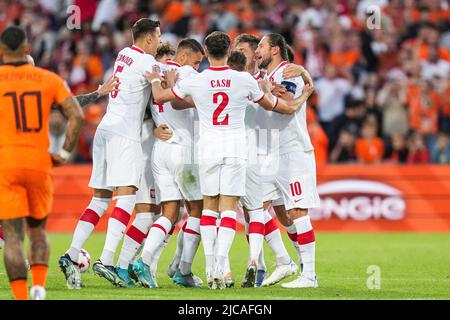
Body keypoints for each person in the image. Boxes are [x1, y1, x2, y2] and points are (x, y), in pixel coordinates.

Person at [145, 31, 309, 289]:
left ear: (208, 53)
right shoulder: (244, 80)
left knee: (210, 210)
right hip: (237, 149)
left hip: (207, 150)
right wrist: (303, 94)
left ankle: (213, 269)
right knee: (232, 211)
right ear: (229, 50)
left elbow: (161, 98)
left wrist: (156, 79)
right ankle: (227, 265)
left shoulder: (198, 80)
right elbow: (277, 105)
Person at [58, 18, 161, 289]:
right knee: (127, 196)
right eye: (158, 38)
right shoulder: (149, 63)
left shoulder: (123, 54)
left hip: (104, 130)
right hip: (125, 135)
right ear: (149, 39)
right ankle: (107, 260)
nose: (159, 43)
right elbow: (160, 97)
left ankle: (71, 254)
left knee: (100, 199)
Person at [0, 26, 84, 299]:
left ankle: (22, 296)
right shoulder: (49, 79)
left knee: (12, 237)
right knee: (38, 231)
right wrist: (65, 152)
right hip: (39, 160)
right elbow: (77, 115)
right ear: (27, 49)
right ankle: (38, 288)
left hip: (7, 162)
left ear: (2, 52)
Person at [127, 38, 206, 289]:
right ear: (183, 57)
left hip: (160, 151)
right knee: (198, 209)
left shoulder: (154, 72)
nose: (196, 67)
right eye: (196, 61)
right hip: (183, 149)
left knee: (169, 213)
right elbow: (203, 100)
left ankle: (144, 261)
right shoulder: (187, 74)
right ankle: (183, 270)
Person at [254, 33, 321, 288]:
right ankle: (287, 262)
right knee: (257, 209)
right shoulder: (267, 78)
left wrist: (271, 93)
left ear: (274, 50)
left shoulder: (289, 72)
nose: (257, 50)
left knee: (298, 211)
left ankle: (310, 275)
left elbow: (290, 102)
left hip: (292, 152)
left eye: (261, 46)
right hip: (271, 155)